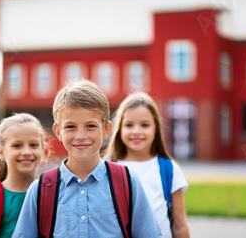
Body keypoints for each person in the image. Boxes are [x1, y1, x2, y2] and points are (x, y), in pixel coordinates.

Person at [12, 79, 161, 238]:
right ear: (58, 131)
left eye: (90, 126)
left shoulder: (127, 182)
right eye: (70, 127)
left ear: (106, 129)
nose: (81, 136)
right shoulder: (40, 190)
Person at [105, 92, 190, 238]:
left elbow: (179, 224)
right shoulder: (105, 168)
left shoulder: (169, 168)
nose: (137, 131)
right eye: (129, 125)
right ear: (119, 128)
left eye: (145, 125)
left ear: (156, 128)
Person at [0, 113, 49, 238]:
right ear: (2, 152)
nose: (26, 152)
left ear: (42, 149)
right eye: (17, 145)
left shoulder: (50, 192)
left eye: (33, 145)